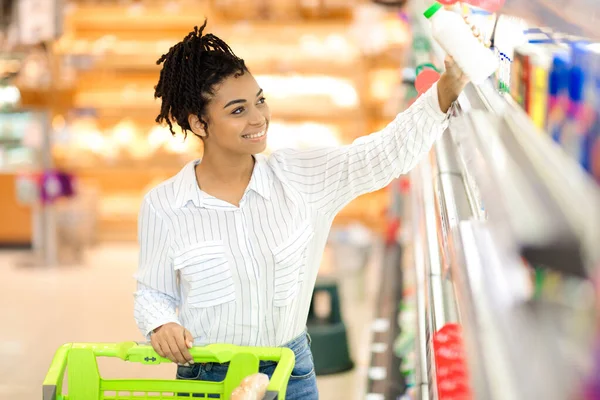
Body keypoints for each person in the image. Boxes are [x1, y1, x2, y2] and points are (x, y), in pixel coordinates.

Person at [134, 19, 478, 399]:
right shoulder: (164, 204)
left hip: (289, 371)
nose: (258, 118)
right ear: (199, 123)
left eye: (260, 101)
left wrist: (447, 88)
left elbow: (381, 155)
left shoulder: (299, 178)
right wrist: (161, 324)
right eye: (237, 110)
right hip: (209, 377)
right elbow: (153, 291)